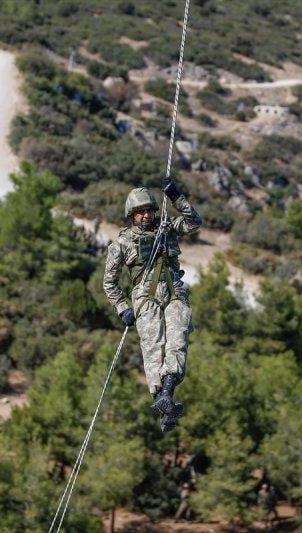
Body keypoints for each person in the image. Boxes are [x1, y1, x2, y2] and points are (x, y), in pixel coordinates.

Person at [103, 177, 201, 432]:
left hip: (174, 291)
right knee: (153, 346)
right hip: (144, 297)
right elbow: (109, 282)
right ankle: (161, 400)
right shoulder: (122, 244)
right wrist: (122, 307)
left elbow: (194, 222)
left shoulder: (167, 228)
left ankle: (168, 391)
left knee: (177, 340)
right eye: (140, 212)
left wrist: (177, 197)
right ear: (131, 216)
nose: (146, 216)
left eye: (148, 210)